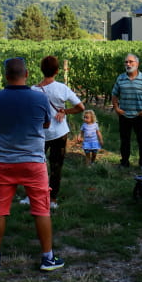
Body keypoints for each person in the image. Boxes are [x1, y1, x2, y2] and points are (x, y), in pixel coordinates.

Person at [0, 57, 64, 272]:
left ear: (6, 75)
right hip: (34, 161)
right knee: (41, 209)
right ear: (26, 74)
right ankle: (47, 258)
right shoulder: (39, 98)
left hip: (5, 160)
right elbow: (46, 123)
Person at [29, 55, 85, 209]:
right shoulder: (62, 88)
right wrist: (65, 111)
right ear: (57, 71)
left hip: (39, 133)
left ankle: (34, 196)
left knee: (36, 165)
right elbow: (81, 107)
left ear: (41, 70)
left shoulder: (33, 90)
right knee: (56, 166)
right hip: (59, 133)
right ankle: (52, 198)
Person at [111, 53, 142, 170]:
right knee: (125, 140)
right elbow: (114, 94)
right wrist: (116, 108)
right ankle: (124, 162)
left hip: (139, 115)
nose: (128, 64)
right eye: (126, 62)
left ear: (137, 64)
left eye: (131, 62)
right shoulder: (120, 78)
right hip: (124, 114)